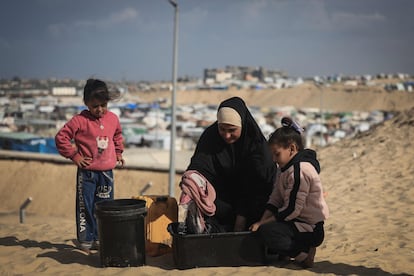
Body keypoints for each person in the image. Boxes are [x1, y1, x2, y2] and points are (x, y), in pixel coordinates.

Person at [183, 96, 276, 232]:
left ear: (242, 125)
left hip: (252, 200)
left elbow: (261, 183)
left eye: (232, 130)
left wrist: (241, 216)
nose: (226, 135)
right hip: (222, 202)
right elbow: (200, 168)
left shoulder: (255, 145)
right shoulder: (211, 137)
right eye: (222, 129)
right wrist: (193, 182)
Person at [55, 78, 125, 253]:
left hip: (107, 172)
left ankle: (102, 238)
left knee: (105, 207)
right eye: (95, 106)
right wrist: (74, 155)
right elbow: (61, 137)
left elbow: (117, 136)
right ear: (86, 103)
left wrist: (118, 152)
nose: (100, 109)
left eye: (103, 105)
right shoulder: (79, 120)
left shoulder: (113, 119)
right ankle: (86, 239)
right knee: (85, 205)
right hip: (86, 173)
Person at [249, 117, 329, 268]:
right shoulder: (284, 170)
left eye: (276, 154)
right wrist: (261, 219)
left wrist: (262, 224)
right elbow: (276, 198)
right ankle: (291, 250)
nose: (273, 159)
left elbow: (292, 209)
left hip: (310, 228)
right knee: (263, 227)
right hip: (295, 223)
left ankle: (305, 256)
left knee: (268, 232)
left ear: (292, 149)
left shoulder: (300, 171)